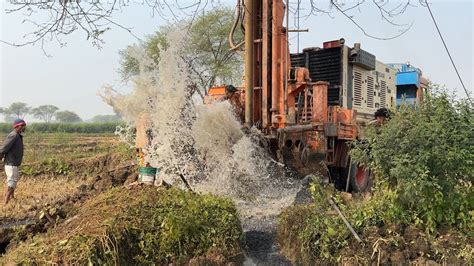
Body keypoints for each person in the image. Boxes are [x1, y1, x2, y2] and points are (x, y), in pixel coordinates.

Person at [0, 118, 26, 204]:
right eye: (22, 126)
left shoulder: (18, 135)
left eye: (24, 126)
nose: (23, 128)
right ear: (17, 126)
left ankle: (12, 198)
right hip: (11, 163)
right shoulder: (14, 135)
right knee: (12, 181)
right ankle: (6, 201)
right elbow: (4, 147)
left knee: (14, 180)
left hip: (14, 162)